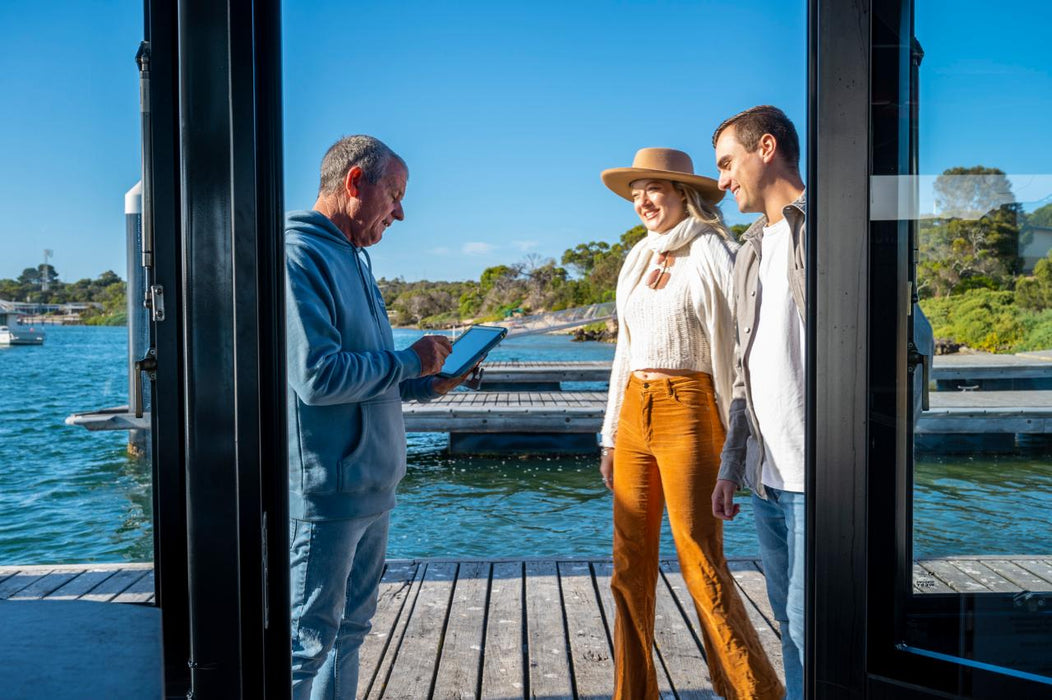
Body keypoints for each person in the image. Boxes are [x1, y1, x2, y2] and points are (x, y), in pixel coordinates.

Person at [285, 135, 470, 699]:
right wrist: (406, 359)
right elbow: (318, 377)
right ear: (354, 183)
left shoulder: (356, 258)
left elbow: (371, 376)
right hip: (328, 493)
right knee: (305, 643)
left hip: (374, 488)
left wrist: (425, 380)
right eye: (394, 194)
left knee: (349, 633)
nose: (400, 211)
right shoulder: (298, 255)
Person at [599, 147, 784, 700]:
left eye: (653, 190)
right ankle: (633, 693)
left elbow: (742, 351)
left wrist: (738, 441)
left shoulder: (717, 251)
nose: (643, 202)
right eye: (636, 195)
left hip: (692, 408)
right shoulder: (638, 256)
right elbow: (624, 354)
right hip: (636, 408)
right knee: (628, 566)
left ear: (685, 192)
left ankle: (752, 692)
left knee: (701, 562)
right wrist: (610, 434)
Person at [710, 105, 807, 700]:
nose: (722, 181)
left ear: (765, 148)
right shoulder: (748, 249)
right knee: (791, 631)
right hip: (768, 481)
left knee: (813, 627)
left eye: (727, 163)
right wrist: (731, 466)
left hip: (821, 479)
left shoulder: (828, 226)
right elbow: (744, 376)